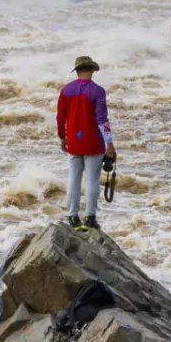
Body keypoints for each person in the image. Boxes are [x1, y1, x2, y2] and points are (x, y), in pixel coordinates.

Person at [56, 55, 115, 231]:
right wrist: (110, 144)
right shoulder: (98, 91)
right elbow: (102, 120)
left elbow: (60, 118)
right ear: (91, 70)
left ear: (78, 71)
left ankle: (72, 217)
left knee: (73, 179)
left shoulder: (66, 90)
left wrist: (62, 137)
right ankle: (90, 217)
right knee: (92, 181)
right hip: (93, 143)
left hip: (74, 141)